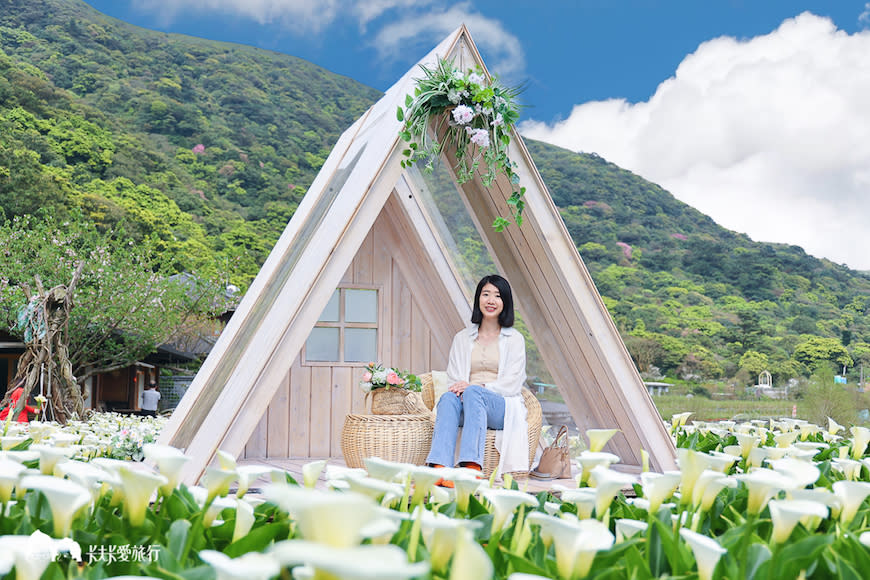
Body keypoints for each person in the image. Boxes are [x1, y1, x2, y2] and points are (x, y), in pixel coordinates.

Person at [426, 274, 529, 484]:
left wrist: (476, 387)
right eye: (486, 294)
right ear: (478, 299)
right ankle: (439, 469)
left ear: (505, 303)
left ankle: (470, 468)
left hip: (501, 407)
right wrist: (466, 391)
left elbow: (512, 384)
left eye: (497, 296)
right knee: (447, 398)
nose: (491, 300)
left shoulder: (515, 339)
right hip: (466, 404)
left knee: (473, 392)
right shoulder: (462, 338)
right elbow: (454, 379)